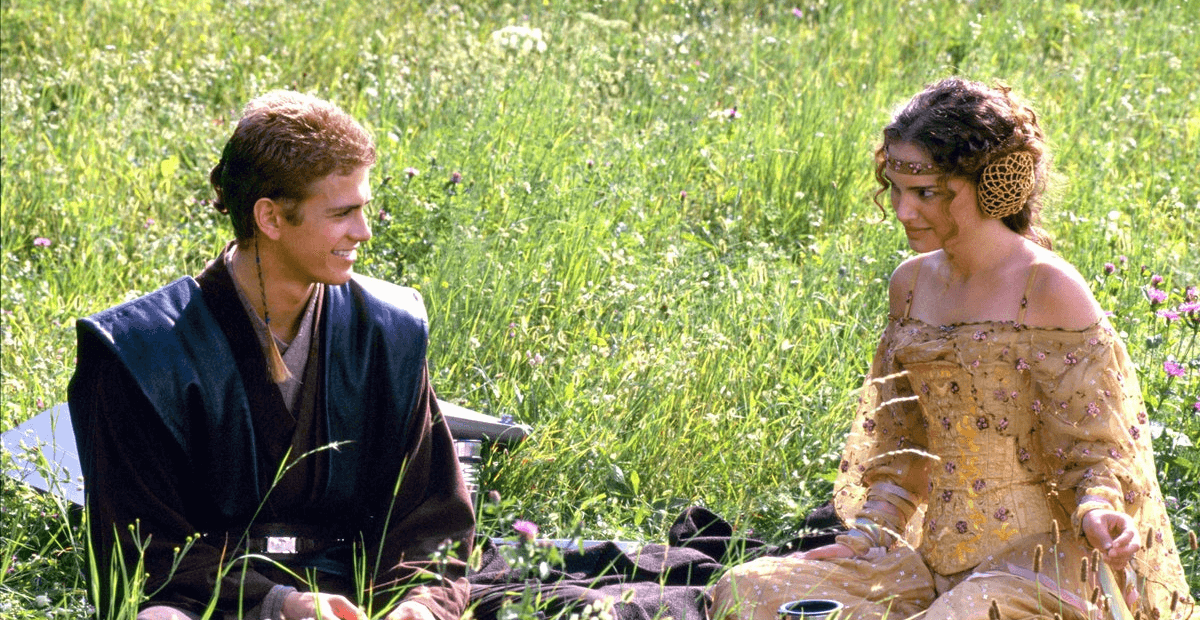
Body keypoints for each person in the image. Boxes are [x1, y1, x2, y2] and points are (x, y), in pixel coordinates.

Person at [710, 78, 1193, 619]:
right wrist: (868, 536)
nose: (903, 211)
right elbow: (902, 446)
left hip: (1039, 566)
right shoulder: (910, 284)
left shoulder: (1048, 289)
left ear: (993, 184)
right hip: (932, 561)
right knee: (746, 588)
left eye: (926, 192)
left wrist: (1099, 509)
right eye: (895, 188)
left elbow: (1096, 451)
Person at [68, 91, 475, 620]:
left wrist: (416, 606)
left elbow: (431, 516)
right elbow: (143, 542)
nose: (364, 231)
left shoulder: (387, 329)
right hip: (214, 600)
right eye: (342, 212)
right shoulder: (140, 353)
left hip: (363, 594)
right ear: (271, 217)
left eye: (364, 208)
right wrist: (280, 604)